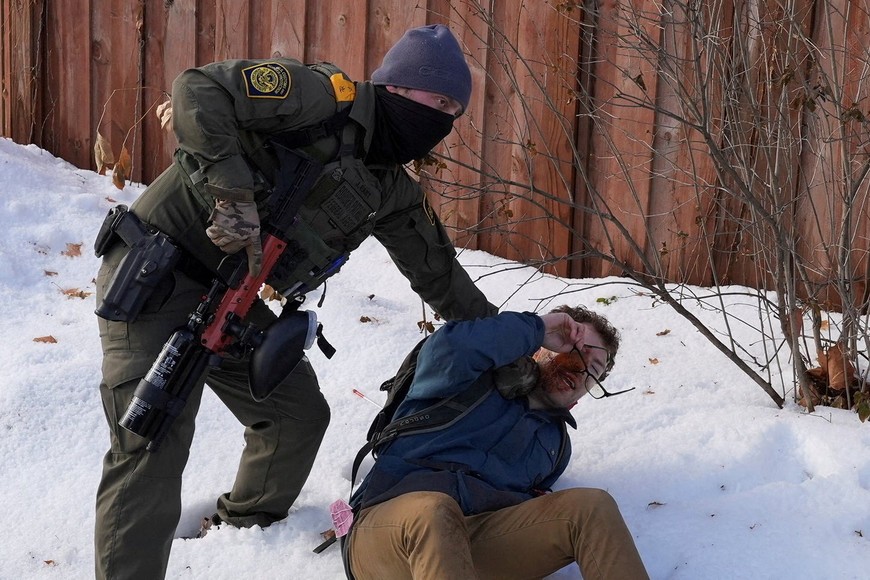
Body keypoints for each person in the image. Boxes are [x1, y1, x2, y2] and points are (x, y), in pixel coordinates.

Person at [93, 24, 499, 580]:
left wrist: (514, 345)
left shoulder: (389, 188)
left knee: (296, 415)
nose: (445, 119)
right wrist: (231, 192)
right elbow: (196, 89)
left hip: (229, 301)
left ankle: (248, 530)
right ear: (399, 88)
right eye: (439, 100)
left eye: (455, 109)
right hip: (156, 271)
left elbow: (442, 278)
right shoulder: (319, 98)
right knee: (151, 442)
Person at [344, 307, 650, 579]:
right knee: (434, 511)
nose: (580, 371)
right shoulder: (464, 376)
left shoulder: (555, 446)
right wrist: (538, 328)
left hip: (475, 545)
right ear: (542, 349)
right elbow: (453, 344)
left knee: (592, 506)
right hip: (388, 534)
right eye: (577, 353)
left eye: (593, 371)